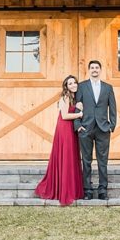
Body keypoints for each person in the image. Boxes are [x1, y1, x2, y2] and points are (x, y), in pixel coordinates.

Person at [34, 75, 84, 205]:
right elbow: (65, 115)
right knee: (66, 156)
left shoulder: (74, 97)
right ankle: (64, 191)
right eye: (70, 83)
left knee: (71, 156)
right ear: (66, 86)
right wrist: (79, 114)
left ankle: (72, 189)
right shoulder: (66, 97)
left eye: (74, 83)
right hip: (64, 129)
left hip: (70, 129)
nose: (73, 85)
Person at [73, 59, 118, 200]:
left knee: (102, 161)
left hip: (103, 128)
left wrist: (112, 125)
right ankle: (87, 190)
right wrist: (77, 124)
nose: (94, 70)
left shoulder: (108, 87)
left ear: (100, 70)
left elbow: (113, 108)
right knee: (86, 160)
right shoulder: (81, 86)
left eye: (97, 67)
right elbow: (76, 106)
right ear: (89, 70)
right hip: (85, 128)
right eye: (92, 67)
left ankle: (103, 190)